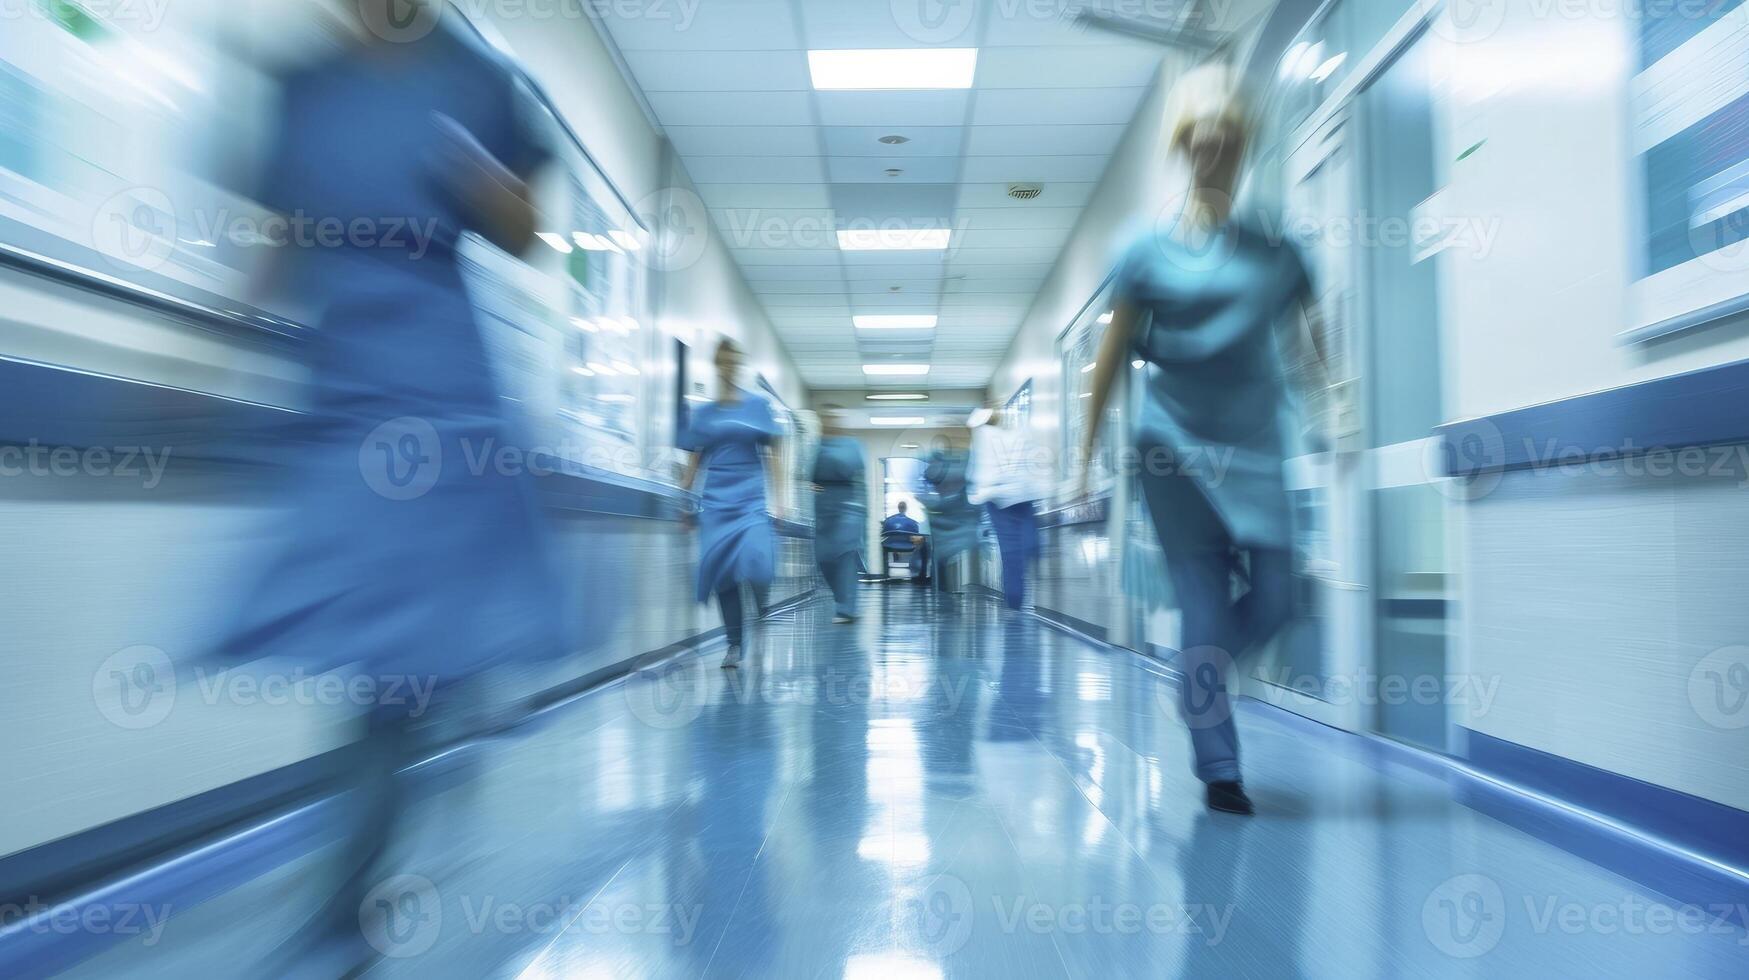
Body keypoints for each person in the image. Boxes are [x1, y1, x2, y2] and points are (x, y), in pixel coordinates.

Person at [216, 4, 564, 973]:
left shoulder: (477, 77)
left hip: (437, 382)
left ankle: (344, 904)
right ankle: (442, 705)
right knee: (357, 627)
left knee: (386, 657)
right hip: (337, 378)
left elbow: (531, 234)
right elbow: (280, 234)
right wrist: (213, 340)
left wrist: (481, 181)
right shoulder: (303, 81)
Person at [1078, 63, 1330, 816]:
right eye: (1199, 140)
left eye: (1227, 139)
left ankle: (1200, 685)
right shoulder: (1143, 251)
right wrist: (1083, 453)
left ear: (1244, 147)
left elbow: (1309, 349)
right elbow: (1112, 355)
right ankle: (1220, 765)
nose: (1213, 151)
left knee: (1282, 596)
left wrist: (1332, 406)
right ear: (1183, 149)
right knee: (1203, 603)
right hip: (1170, 448)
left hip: (1253, 444)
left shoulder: (1279, 253)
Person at [681, 338, 782, 669]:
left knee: (758, 561)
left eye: (733, 359)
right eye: (722, 360)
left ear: (738, 363)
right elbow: (696, 459)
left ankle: (761, 604)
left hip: (751, 497)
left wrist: (781, 499)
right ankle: (734, 644)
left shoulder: (758, 405)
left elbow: (773, 452)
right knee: (723, 573)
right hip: (716, 501)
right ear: (715, 364)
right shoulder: (704, 413)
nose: (728, 366)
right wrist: (684, 501)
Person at [967, 406, 1046, 610]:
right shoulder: (996, 436)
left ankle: (1015, 598)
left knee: (1019, 548)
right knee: (1016, 549)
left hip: (1013, 497)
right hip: (1006, 499)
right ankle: (1015, 599)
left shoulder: (1010, 434)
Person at [810, 407, 867, 623]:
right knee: (823, 557)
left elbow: (859, 476)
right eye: (824, 419)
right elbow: (811, 477)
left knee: (845, 557)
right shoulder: (818, 446)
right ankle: (842, 599)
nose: (828, 422)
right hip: (824, 507)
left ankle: (846, 608)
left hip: (848, 506)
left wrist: (863, 510)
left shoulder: (850, 444)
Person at [919, 445, 980, 593]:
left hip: (949, 525)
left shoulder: (942, 470)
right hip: (959, 524)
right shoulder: (962, 466)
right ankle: (950, 589)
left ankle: (945, 590)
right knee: (948, 556)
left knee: (943, 558)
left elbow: (928, 481)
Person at [880, 500, 928, 582]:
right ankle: (918, 574)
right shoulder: (912, 522)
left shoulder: (889, 521)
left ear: (898, 508)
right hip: (908, 546)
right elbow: (916, 536)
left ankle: (885, 573)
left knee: (882, 545)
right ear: (906, 508)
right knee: (922, 545)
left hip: (889, 545)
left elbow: (883, 534)